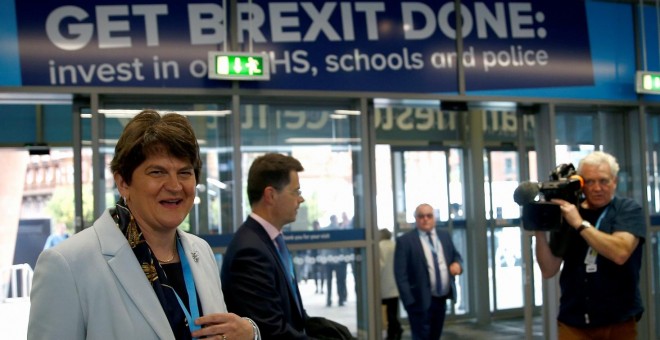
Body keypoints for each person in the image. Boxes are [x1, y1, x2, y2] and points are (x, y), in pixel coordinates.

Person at [28, 110, 259, 340]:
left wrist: (250, 333)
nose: (175, 186)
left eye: (185, 172)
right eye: (157, 172)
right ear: (123, 183)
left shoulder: (201, 251)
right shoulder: (68, 265)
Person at [534, 151, 646, 339]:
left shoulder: (627, 209)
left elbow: (620, 253)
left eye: (603, 181)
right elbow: (548, 269)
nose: (597, 188)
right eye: (590, 182)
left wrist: (579, 224)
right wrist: (539, 229)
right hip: (574, 319)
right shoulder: (569, 212)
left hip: (617, 319)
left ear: (614, 182)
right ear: (580, 184)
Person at [220, 153, 311, 338]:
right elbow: (271, 331)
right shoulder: (250, 252)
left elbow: (293, 314)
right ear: (270, 195)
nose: (301, 200)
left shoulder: (270, 240)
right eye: (296, 192)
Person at [394, 203, 463, 340]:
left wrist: (457, 264)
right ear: (416, 219)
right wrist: (409, 302)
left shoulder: (444, 236)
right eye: (421, 216)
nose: (425, 219)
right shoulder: (405, 241)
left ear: (434, 218)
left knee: (435, 335)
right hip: (419, 301)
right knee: (421, 336)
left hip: (441, 298)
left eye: (429, 216)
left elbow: (456, 255)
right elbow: (400, 275)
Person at [379, 228, 403, 340]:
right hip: (395, 285)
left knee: (387, 313)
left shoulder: (379, 246)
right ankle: (394, 331)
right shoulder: (395, 245)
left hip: (384, 284)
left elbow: (380, 266)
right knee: (393, 311)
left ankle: (394, 331)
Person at [323, 214, 347, 307]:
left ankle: (328, 300)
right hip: (338, 260)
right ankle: (340, 300)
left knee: (329, 281)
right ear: (335, 220)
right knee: (339, 281)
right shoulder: (339, 229)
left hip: (328, 260)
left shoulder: (325, 229)